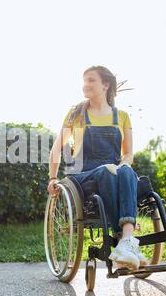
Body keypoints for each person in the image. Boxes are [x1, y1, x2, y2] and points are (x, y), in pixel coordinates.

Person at [46, 65, 147, 270]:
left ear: (105, 85)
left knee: (125, 170)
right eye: (84, 80)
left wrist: (122, 166)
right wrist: (52, 177)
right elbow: (57, 148)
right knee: (107, 170)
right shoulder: (76, 114)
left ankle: (126, 240)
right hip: (82, 176)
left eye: (91, 79)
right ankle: (123, 241)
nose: (86, 84)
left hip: (112, 171)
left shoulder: (123, 117)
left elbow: (128, 155)